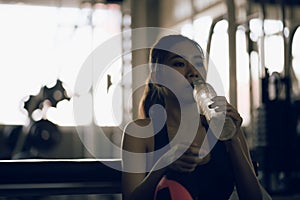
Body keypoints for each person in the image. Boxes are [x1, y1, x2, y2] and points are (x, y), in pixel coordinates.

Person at [121, 34, 263, 200]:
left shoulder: (225, 127)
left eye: (198, 63)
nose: (193, 72)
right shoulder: (140, 133)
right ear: (157, 77)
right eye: (179, 63)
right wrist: (163, 166)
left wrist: (232, 140)